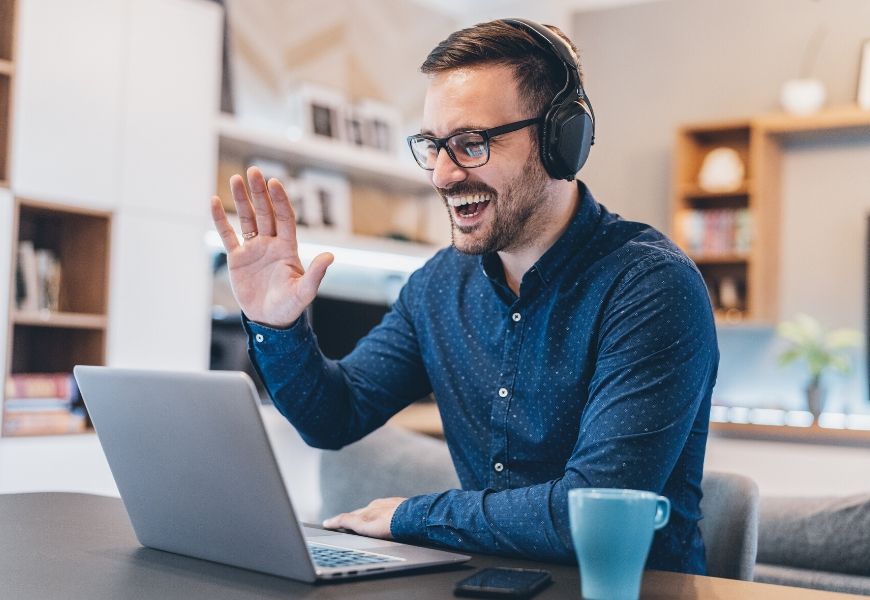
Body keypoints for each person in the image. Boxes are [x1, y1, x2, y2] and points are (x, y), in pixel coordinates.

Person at [210, 18, 718, 574]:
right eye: (433, 146)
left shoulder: (651, 287)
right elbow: (334, 417)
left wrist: (412, 515)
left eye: (471, 144)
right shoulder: (437, 286)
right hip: (485, 584)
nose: (443, 176)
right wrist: (276, 325)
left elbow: (590, 510)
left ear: (560, 141)